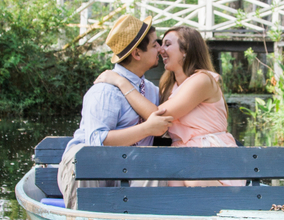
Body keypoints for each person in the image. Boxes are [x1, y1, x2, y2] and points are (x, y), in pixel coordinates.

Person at [94, 25, 244, 187]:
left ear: (185, 50)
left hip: (211, 156)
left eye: (167, 44)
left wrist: (121, 82)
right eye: (160, 44)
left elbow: (158, 116)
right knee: (170, 181)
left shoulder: (202, 80)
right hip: (182, 159)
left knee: (193, 181)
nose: (160, 49)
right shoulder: (167, 87)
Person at [58, 14, 173, 208]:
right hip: (90, 167)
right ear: (137, 54)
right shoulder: (104, 91)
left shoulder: (152, 91)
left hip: (131, 167)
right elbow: (96, 142)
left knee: (155, 166)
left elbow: (164, 125)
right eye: (155, 45)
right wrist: (147, 129)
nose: (161, 49)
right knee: (84, 158)